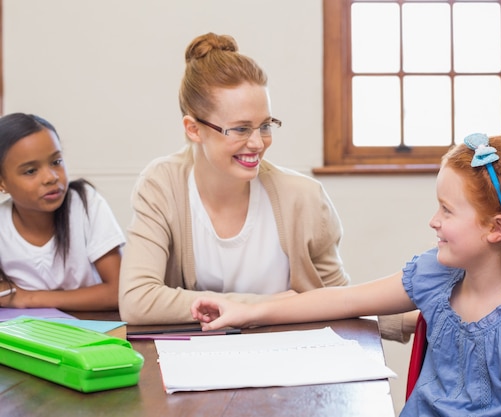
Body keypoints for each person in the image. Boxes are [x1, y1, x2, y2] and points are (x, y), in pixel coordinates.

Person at [191, 134, 501, 417]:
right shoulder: (437, 276)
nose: (433, 221)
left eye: (447, 210)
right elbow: (342, 300)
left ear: (496, 227)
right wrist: (246, 310)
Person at [117, 32, 414, 342]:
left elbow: (339, 301)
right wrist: (271, 305)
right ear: (193, 129)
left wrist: (410, 319)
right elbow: (138, 299)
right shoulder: (162, 185)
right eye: (241, 129)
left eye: (265, 126)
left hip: (293, 360)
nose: (257, 143)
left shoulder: (304, 198)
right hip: (199, 365)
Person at [0, 113, 125, 311]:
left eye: (56, 162)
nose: (50, 177)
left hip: (91, 327)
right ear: (2, 182)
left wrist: (30, 299)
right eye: (31, 171)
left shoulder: (85, 203)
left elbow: (118, 291)